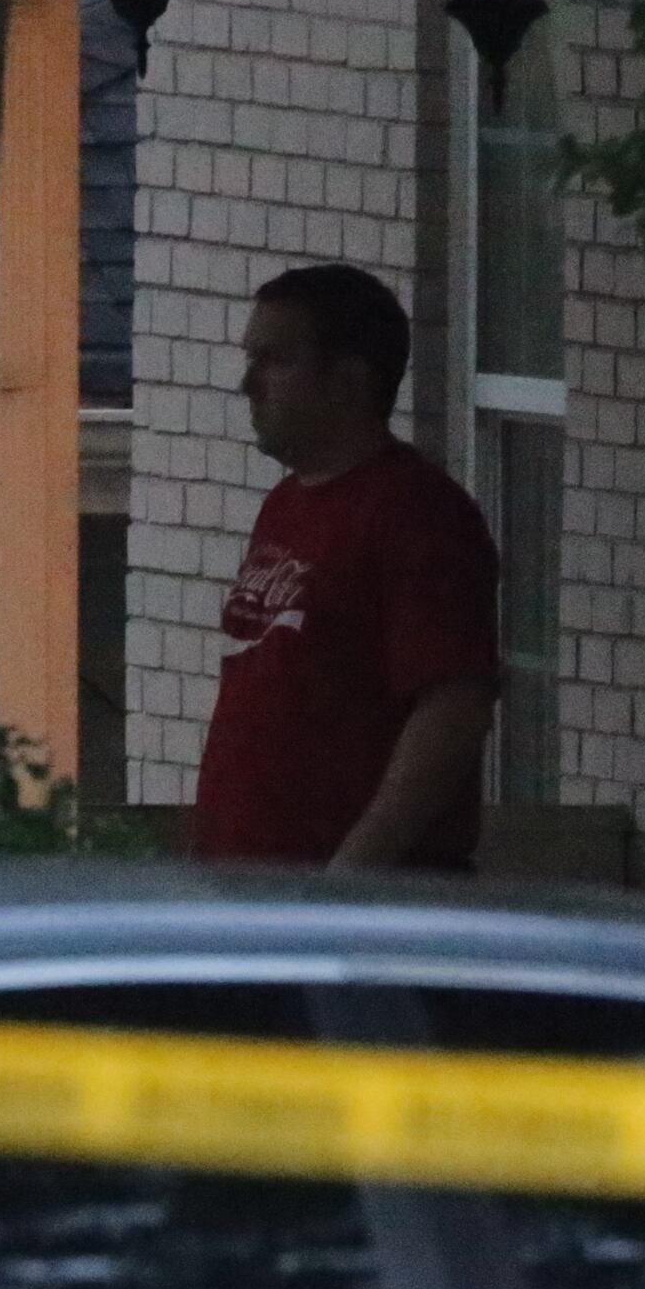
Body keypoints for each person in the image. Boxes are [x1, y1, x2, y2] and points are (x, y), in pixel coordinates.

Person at [191, 263, 503, 872]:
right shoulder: (285, 505)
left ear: (349, 379)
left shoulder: (417, 513)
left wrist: (356, 871)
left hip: (354, 912)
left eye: (275, 361)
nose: (249, 385)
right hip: (254, 893)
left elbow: (452, 705)